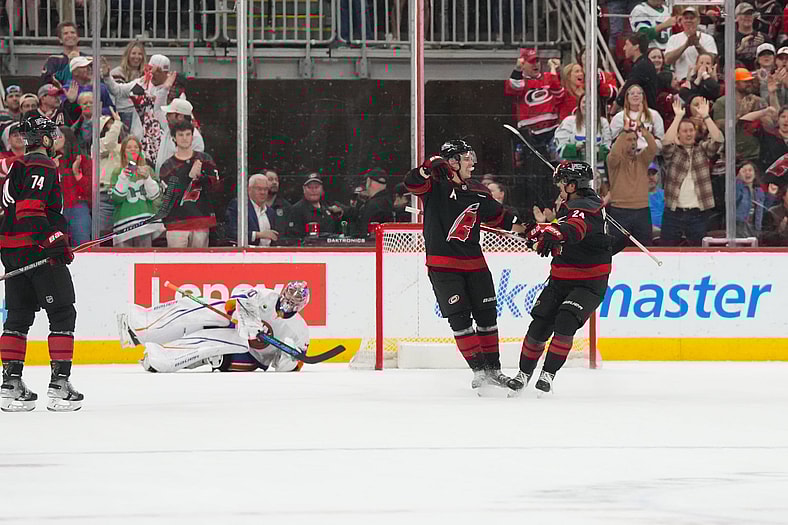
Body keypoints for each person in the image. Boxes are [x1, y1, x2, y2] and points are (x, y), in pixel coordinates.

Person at [404, 139, 527, 392]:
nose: (472, 163)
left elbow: (502, 217)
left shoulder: (478, 190)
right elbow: (412, 182)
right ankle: (480, 372)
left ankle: (494, 371)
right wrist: (428, 166)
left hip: (476, 265)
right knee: (459, 320)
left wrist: (531, 229)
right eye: (467, 158)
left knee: (487, 318)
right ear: (453, 162)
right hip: (443, 266)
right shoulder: (434, 186)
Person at [0, 112, 83, 412]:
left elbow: (11, 210)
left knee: (18, 315)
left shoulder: (17, 165)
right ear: (45, 139)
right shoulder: (41, 164)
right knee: (62, 312)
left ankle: (10, 385)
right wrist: (54, 241)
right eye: (53, 134)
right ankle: (60, 386)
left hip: (11, 250)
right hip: (35, 250)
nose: (56, 139)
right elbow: (30, 209)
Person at [506, 161, 611, 396]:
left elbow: (575, 229)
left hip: (589, 282)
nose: (559, 187)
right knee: (540, 324)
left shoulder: (586, 207)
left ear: (572, 185)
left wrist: (552, 232)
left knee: (566, 320)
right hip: (561, 278)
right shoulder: (573, 204)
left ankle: (548, 375)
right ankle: (523, 375)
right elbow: (566, 235)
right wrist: (543, 235)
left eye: (562, 183)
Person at [118, 282, 310, 374]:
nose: (288, 303)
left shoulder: (299, 330)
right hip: (235, 327)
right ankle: (141, 325)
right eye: (288, 297)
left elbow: (286, 368)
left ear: (301, 306)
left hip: (248, 356)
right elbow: (234, 301)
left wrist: (289, 357)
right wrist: (247, 319)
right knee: (202, 307)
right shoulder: (265, 295)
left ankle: (160, 359)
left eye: (294, 302)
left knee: (213, 343)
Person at [661, 97, 723, 245]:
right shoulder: (673, 152)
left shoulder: (702, 149)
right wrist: (678, 118)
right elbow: (666, 142)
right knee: (667, 250)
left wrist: (706, 116)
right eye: (684, 131)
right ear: (678, 134)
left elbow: (719, 139)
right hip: (673, 212)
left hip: (697, 213)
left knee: (699, 252)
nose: (688, 134)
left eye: (691, 130)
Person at [159, 120, 219, 248]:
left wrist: (201, 177)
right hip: (176, 223)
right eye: (180, 135)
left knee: (199, 260)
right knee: (176, 260)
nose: (184, 138)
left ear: (192, 136)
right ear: (174, 138)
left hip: (201, 220)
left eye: (188, 134)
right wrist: (188, 176)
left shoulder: (205, 159)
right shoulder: (167, 166)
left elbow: (215, 187)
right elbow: (169, 195)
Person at [606, 120, 658, 253]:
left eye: (635, 139)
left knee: (645, 248)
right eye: (629, 140)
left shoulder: (642, 160)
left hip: (642, 211)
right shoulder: (614, 161)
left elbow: (653, 148)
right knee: (615, 250)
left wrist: (644, 131)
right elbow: (614, 153)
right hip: (620, 211)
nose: (633, 143)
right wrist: (623, 133)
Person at [110, 135, 163, 247]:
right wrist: (124, 178)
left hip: (144, 226)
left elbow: (155, 196)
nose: (133, 149)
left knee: (144, 256)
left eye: (135, 147)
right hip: (124, 226)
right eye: (129, 147)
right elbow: (116, 199)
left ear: (140, 150)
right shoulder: (117, 172)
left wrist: (147, 178)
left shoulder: (148, 170)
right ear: (123, 151)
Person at [664, 6, 718, 82]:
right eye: (686, 18)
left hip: (703, 80)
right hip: (681, 80)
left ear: (698, 20)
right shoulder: (673, 38)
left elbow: (712, 59)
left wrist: (698, 45)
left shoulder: (708, 38)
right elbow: (667, 60)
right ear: (681, 21)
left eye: (692, 18)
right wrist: (685, 45)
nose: (688, 20)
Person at [225, 174, 280, 246]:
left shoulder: (270, 212)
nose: (263, 192)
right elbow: (231, 233)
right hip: (247, 251)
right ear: (249, 189)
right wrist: (258, 235)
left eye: (265, 189)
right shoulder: (240, 206)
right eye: (259, 189)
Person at [287, 173, 344, 239]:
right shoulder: (296, 210)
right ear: (304, 189)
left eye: (316, 187)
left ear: (322, 189)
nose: (313, 190)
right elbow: (294, 237)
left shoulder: (329, 206)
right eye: (310, 187)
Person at [617, 33, 658, 109]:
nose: (624, 48)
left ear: (636, 46)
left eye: (627, 44)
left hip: (644, 112)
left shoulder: (641, 67)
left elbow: (626, 92)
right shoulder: (643, 63)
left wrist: (612, 111)